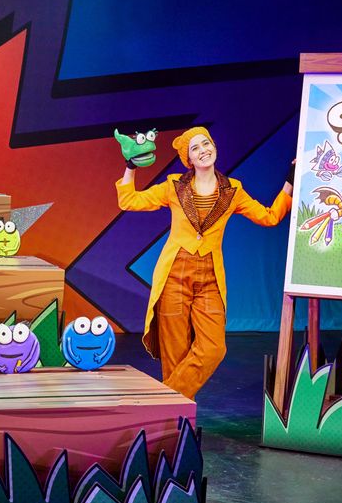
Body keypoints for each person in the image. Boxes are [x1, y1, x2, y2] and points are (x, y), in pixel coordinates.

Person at [116, 126, 294, 400]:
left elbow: (269, 217)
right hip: (174, 277)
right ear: (188, 159)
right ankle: (174, 416)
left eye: (206, 143)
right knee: (175, 355)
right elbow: (129, 201)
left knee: (213, 348)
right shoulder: (174, 187)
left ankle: (161, 400)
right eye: (195, 148)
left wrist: (290, 180)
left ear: (214, 147)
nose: (203, 150)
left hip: (209, 280)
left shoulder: (233, 191)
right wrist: (131, 167)